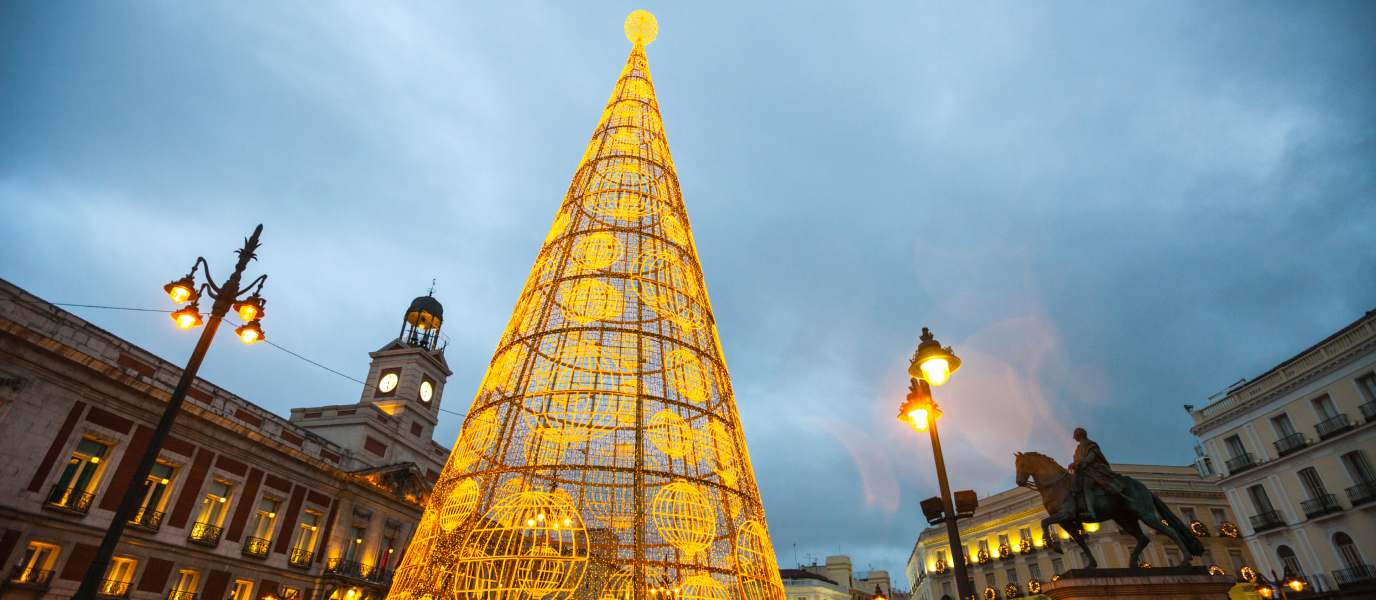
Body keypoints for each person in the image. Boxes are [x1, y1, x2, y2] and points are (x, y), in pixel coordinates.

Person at [1069, 428, 1125, 519]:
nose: (1074, 438)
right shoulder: (1078, 448)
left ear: (1080, 435)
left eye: (1075, 435)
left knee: (1086, 486)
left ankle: (1091, 511)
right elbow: (1076, 460)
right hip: (1081, 471)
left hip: (1093, 470)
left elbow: (1091, 456)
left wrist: (1083, 462)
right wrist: (1074, 464)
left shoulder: (1090, 444)